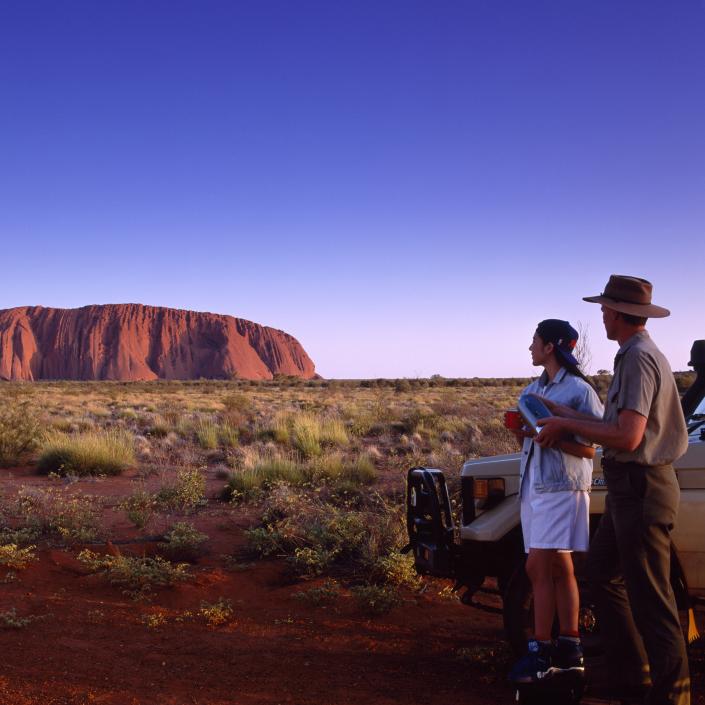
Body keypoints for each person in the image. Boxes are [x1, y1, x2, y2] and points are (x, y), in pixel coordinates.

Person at [535, 275, 690, 705]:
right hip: (628, 491)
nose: (601, 314)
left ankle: (670, 696)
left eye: (605, 308)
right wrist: (560, 411)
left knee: (653, 604)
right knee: (603, 575)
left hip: (642, 490)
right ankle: (634, 678)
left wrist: (566, 425)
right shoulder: (630, 355)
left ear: (621, 313)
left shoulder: (639, 358)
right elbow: (614, 426)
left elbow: (628, 437)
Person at [508, 319, 603, 684]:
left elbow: (591, 449)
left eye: (534, 341)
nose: (530, 347)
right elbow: (533, 440)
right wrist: (523, 434)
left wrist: (556, 439)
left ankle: (541, 652)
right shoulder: (533, 389)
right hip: (535, 484)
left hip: (562, 488)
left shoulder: (579, 391)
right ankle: (570, 646)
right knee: (560, 567)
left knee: (537, 568)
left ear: (550, 346)